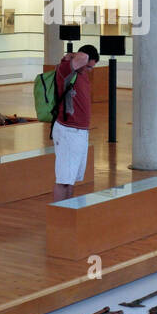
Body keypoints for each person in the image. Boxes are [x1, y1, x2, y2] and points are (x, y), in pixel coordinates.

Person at [52, 43, 100, 201]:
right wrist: (71, 55)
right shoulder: (66, 69)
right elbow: (83, 57)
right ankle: (59, 214)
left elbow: (85, 60)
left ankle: (68, 211)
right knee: (63, 179)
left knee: (71, 179)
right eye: (88, 67)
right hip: (68, 131)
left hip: (79, 132)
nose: (89, 70)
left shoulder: (81, 72)